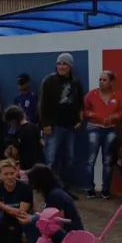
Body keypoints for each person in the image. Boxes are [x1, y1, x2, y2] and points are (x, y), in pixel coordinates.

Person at [38, 53, 84, 189]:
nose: (62, 66)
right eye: (59, 63)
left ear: (70, 66)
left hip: (70, 126)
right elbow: (42, 104)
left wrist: (80, 120)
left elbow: (80, 103)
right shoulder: (49, 80)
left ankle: (62, 186)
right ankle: (47, 187)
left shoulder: (75, 82)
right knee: (50, 159)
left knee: (69, 159)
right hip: (53, 126)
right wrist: (45, 124)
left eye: (65, 64)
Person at [14, 164, 84, 243]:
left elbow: (58, 222)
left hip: (69, 236)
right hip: (71, 233)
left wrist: (33, 219)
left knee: (28, 224)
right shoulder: (56, 191)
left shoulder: (55, 195)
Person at [83, 70, 122, 199]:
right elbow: (84, 111)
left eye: (104, 80)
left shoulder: (118, 95)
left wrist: (114, 117)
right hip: (94, 128)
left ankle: (106, 190)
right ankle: (89, 189)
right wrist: (94, 115)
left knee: (108, 160)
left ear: (111, 82)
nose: (101, 82)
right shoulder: (91, 95)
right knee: (90, 160)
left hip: (110, 129)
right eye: (100, 79)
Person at [5, 105, 42, 172]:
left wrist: (9, 153)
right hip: (38, 163)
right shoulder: (34, 127)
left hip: (26, 165)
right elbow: (42, 143)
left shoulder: (18, 132)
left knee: (25, 182)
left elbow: (15, 152)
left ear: (13, 120)